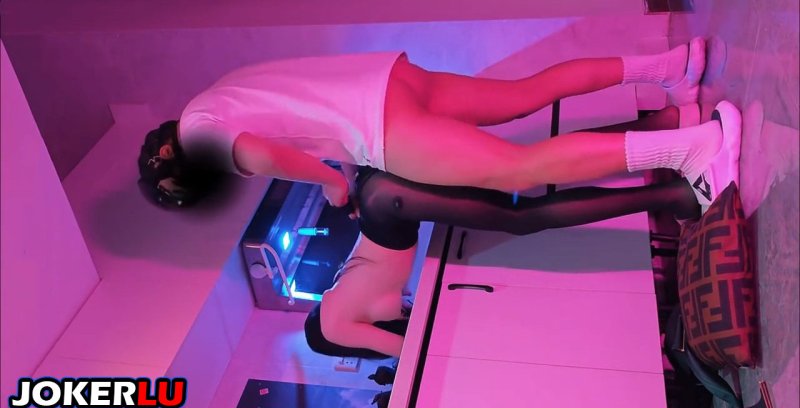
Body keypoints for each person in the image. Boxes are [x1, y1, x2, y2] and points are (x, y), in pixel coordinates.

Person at [303, 103, 738, 358]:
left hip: (390, 203)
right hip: (382, 191)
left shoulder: (334, 328)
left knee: (525, 215)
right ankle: (665, 125)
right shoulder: (334, 294)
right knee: (533, 163)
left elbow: (409, 349)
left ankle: (677, 195)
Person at [137, 37, 741, 212]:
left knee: (520, 171)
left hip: (382, 127)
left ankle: (693, 148)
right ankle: (671, 67)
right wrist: (338, 160)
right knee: (525, 94)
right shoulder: (215, 96)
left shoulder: (200, 137)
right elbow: (303, 113)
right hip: (386, 80)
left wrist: (332, 183)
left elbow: (266, 156)